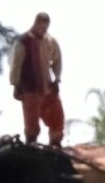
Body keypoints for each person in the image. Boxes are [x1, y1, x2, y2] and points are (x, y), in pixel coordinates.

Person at [8, 12, 64, 146]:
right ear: (36, 23)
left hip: (48, 87)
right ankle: (31, 143)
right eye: (42, 25)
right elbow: (15, 63)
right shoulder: (23, 41)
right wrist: (16, 84)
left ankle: (55, 142)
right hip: (30, 87)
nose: (44, 29)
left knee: (56, 116)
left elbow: (57, 60)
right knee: (31, 120)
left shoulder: (50, 41)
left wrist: (56, 79)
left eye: (46, 26)